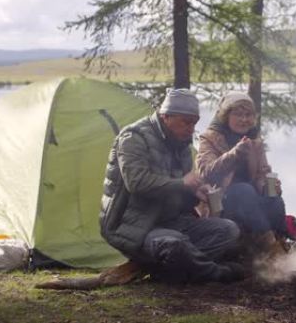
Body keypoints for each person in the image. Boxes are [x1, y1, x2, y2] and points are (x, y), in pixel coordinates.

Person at [99, 89, 243, 284]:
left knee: (228, 230)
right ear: (166, 116)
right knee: (175, 244)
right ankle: (215, 273)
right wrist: (182, 183)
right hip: (134, 225)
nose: (191, 129)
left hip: (171, 221)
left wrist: (194, 193)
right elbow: (136, 182)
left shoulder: (181, 143)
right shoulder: (133, 138)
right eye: (186, 122)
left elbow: (178, 192)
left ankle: (169, 270)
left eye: (194, 123)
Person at [196, 92, 287, 257]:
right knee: (243, 190)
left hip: (250, 201)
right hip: (221, 202)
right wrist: (234, 154)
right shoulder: (209, 138)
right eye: (238, 114)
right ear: (225, 115)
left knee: (275, 201)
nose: (244, 119)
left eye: (248, 115)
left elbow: (262, 173)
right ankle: (270, 246)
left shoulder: (254, 140)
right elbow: (207, 171)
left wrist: (269, 185)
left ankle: (276, 243)